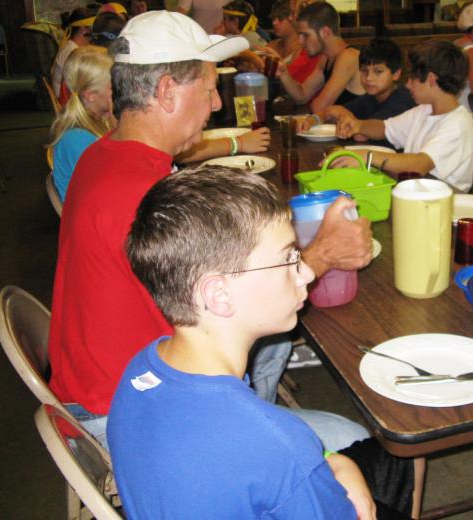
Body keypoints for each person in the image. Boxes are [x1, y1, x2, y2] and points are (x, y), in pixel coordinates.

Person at [47, 11, 372, 452]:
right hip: (131, 414)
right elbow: (235, 308)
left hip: (103, 381)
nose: (217, 104)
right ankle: (256, 443)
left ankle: (259, 420)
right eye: (208, 89)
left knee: (273, 342)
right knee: (359, 445)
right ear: (166, 92)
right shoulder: (145, 194)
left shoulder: (104, 153)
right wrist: (325, 253)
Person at [108, 166, 416, 520]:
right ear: (219, 295)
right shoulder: (277, 443)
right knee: (397, 454)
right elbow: (280, 458)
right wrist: (336, 467)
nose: (305, 272)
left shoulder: (141, 368)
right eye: (288, 259)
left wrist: (335, 461)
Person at [333, 39, 473, 192]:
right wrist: (358, 125)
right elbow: (385, 128)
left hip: (442, 201)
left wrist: (365, 156)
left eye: (412, 78)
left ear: (431, 80)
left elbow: (420, 165)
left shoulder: (457, 123)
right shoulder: (425, 110)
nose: (407, 85)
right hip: (416, 192)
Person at [297, 37, 415, 134]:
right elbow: (329, 112)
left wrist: (344, 115)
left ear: (396, 74)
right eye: (364, 71)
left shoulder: (402, 99)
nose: (369, 78)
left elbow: (362, 136)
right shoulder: (369, 98)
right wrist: (313, 120)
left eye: (378, 71)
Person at [47, 47, 113, 201]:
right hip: (90, 210)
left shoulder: (99, 121)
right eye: (113, 86)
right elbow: (108, 192)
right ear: (90, 96)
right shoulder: (77, 139)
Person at [277, 1, 364, 117]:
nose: (300, 41)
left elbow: (319, 108)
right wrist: (283, 73)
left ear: (325, 32)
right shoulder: (325, 58)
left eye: (305, 35)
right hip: (340, 126)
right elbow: (302, 96)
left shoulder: (349, 57)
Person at [50, 7, 96, 96]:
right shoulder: (72, 51)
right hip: (66, 100)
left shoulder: (73, 46)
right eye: (93, 27)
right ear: (83, 29)